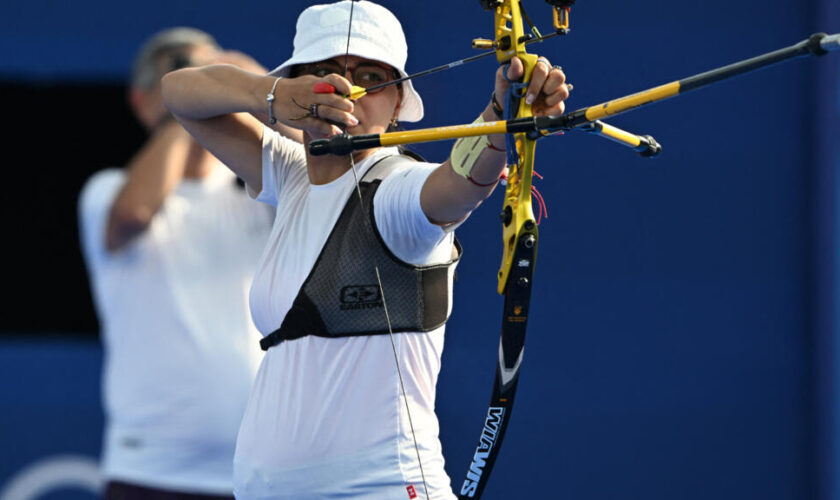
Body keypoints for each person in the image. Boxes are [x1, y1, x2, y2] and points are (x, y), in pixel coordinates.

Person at [160, 2, 569, 499]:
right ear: (294, 85)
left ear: (398, 103)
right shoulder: (288, 176)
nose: (347, 89)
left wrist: (500, 117)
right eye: (325, 72)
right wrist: (266, 96)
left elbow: (456, 184)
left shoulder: (394, 192)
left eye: (371, 77)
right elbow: (178, 93)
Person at [78, 28, 284, 500]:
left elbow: (332, 192)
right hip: (150, 470)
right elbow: (132, 217)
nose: (204, 88)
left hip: (256, 468)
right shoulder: (106, 191)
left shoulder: (263, 197)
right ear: (142, 101)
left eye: (211, 78)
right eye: (179, 77)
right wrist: (187, 102)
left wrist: (257, 90)